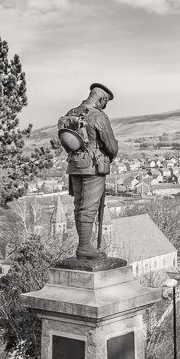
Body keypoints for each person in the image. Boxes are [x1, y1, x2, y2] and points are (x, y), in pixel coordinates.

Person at [57, 83, 118, 258]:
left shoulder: (72, 113)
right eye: (104, 102)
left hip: (75, 164)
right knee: (89, 207)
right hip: (93, 166)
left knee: (79, 206)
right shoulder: (98, 116)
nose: (104, 105)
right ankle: (84, 247)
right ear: (102, 99)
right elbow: (111, 145)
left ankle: (84, 245)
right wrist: (111, 153)